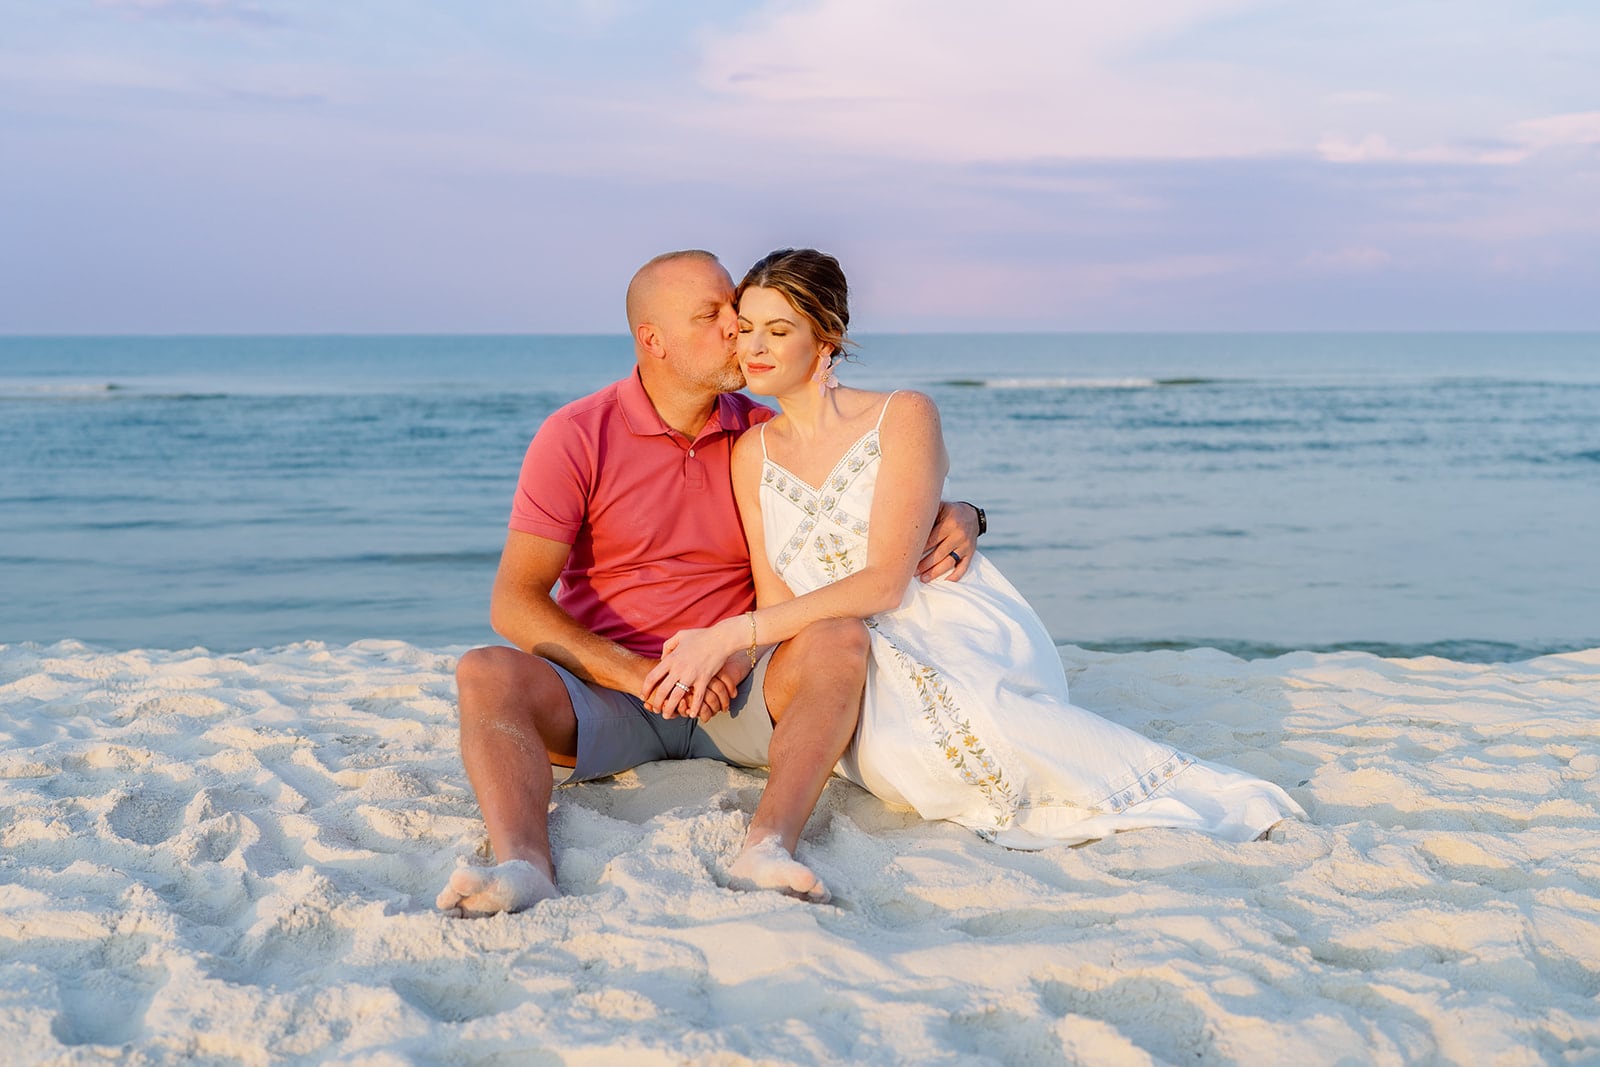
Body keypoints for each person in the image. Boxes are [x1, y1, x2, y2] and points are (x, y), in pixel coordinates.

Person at [647, 248, 1305, 854]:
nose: (754, 348)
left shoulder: (902, 415)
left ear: (828, 338)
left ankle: (1212, 800)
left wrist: (730, 631)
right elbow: (778, 600)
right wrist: (730, 658)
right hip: (842, 653)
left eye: (779, 330)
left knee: (993, 718)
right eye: (748, 327)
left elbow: (885, 584)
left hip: (943, 620)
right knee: (904, 754)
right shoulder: (750, 453)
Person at [436, 249, 982, 916]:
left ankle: (768, 845)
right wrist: (640, 675)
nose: (737, 327)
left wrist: (960, 512)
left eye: (736, 308)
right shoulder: (576, 435)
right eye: (712, 315)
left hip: (739, 688)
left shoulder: (764, 430)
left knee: (840, 638)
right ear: (653, 340)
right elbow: (513, 599)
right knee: (485, 672)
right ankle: (525, 864)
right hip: (611, 696)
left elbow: (872, 487)